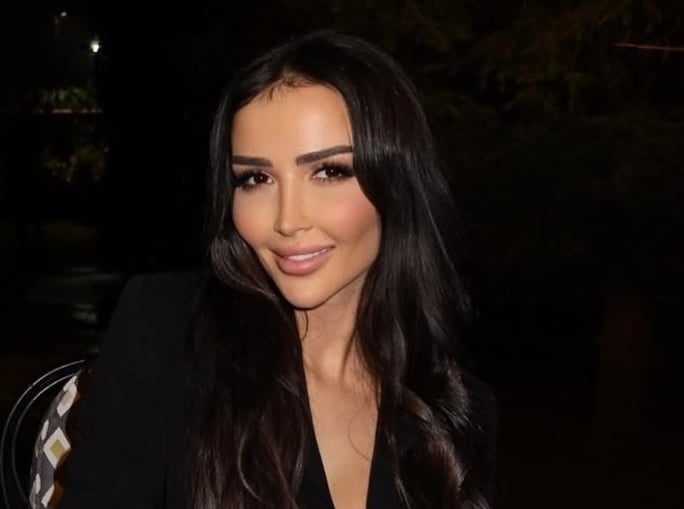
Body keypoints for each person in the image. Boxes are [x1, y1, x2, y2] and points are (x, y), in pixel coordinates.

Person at [58, 29, 496, 509]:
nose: (287, 220)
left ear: (397, 183)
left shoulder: (451, 405)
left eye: (328, 171)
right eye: (256, 178)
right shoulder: (165, 331)